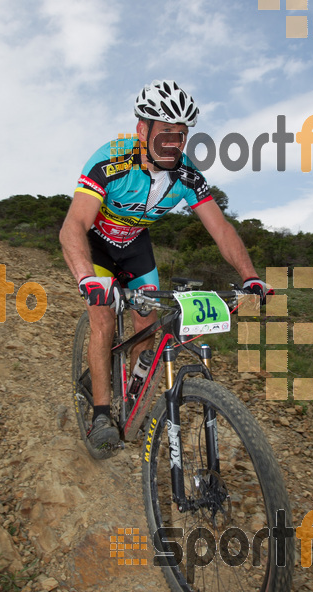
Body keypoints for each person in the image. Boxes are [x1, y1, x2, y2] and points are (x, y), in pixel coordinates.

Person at [60, 79, 271, 457]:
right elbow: (72, 226)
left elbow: (220, 228)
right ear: (143, 130)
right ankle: (103, 414)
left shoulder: (186, 175)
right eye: (167, 134)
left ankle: (125, 385)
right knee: (103, 318)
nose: (175, 143)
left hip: (136, 246)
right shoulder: (111, 161)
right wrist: (86, 278)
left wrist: (250, 276)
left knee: (148, 324)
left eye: (183, 135)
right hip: (98, 246)